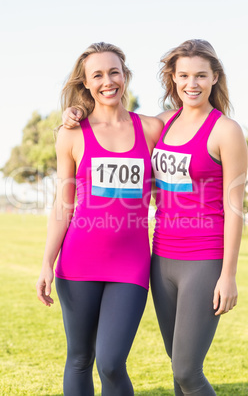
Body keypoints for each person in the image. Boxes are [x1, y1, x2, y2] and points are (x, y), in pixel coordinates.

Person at [62, 39, 248, 395]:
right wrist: (76, 113)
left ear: (214, 78)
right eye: (183, 76)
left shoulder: (226, 130)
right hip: (161, 257)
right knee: (177, 368)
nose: (191, 84)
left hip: (204, 257)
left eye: (200, 76)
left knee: (187, 370)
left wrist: (228, 275)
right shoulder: (163, 124)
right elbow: (114, 128)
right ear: (173, 79)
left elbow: (235, 207)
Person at [36, 42, 162, 396]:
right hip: (77, 263)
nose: (108, 81)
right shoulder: (71, 133)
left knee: (110, 362)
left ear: (125, 76)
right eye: (98, 75)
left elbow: (190, 129)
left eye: (114, 72)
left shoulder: (151, 129)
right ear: (87, 83)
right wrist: (47, 262)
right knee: (79, 358)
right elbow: (63, 205)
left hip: (131, 265)